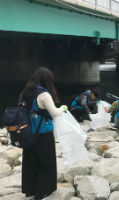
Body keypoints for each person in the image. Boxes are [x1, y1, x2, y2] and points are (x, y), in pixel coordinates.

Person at [20, 67, 68, 200]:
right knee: (46, 164)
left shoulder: (25, 92)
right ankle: (40, 193)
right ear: (47, 80)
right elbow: (54, 113)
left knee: (31, 163)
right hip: (42, 134)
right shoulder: (44, 94)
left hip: (27, 133)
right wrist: (63, 108)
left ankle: (30, 190)